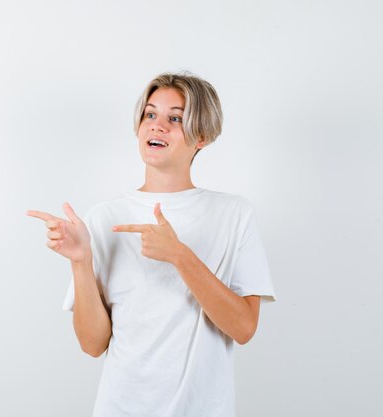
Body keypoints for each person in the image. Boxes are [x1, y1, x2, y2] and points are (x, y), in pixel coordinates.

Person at [26, 72, 277, 417]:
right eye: (150, 114)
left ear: (202, 135)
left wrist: (178, 255)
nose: (157, 126)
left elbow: (244, 328)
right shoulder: (104, 217)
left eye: (175, 118)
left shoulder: (233, 214)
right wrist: (81, 261)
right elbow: (92, 345)